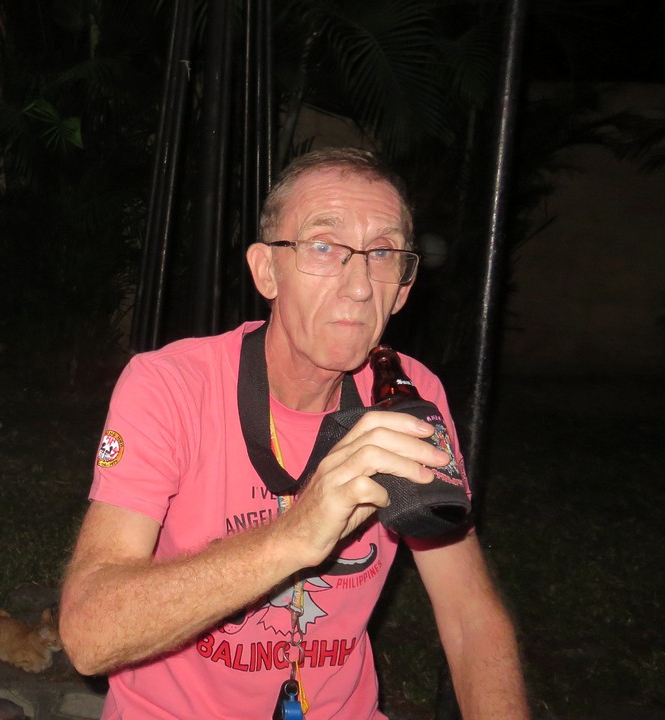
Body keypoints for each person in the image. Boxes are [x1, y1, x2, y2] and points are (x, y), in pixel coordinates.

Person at [59, 148, 528, 718]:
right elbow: (89, 636)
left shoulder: (410, 398)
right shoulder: (172, 387)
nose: (360, 287)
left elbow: (470, 617)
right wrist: (294, 537)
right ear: (267, 271)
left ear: (403, 288)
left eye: (382, 253)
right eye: (324, 247)